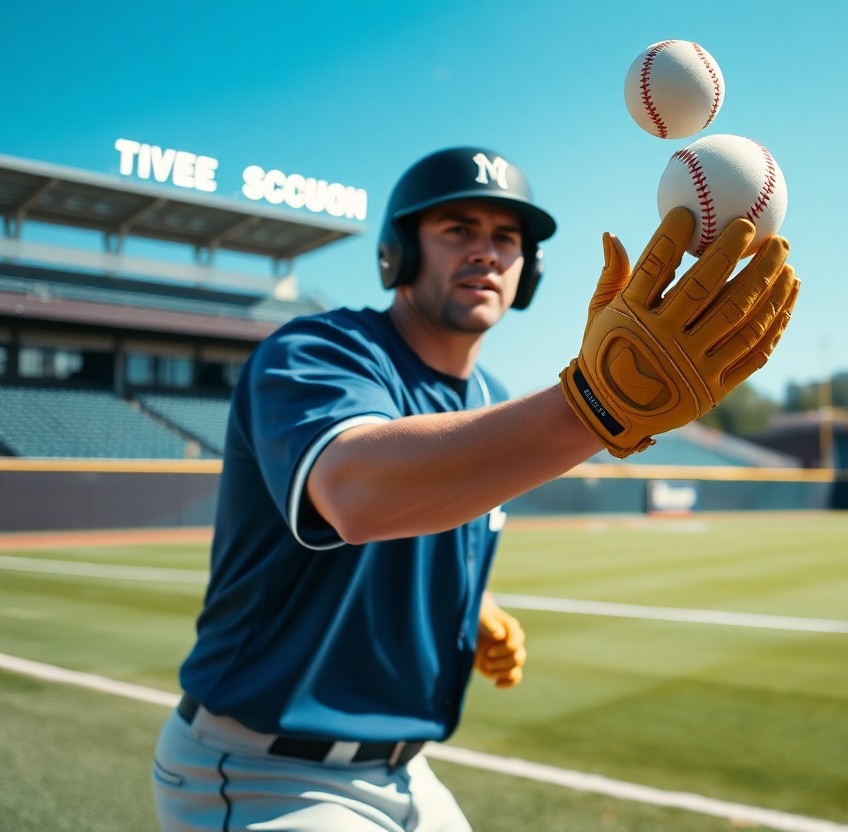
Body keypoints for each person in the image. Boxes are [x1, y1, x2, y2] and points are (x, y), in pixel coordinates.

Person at [151, 145, 799, 832]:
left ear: (530, 268)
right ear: (398, 249)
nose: (486, 252)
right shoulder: (318, 351)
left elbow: (433, 506)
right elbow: (355, 493)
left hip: (406, 769)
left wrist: (476, 604)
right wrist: (592, 405)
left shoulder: (490, 398)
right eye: (458, 229)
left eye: (506, 237)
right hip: (265, 772)